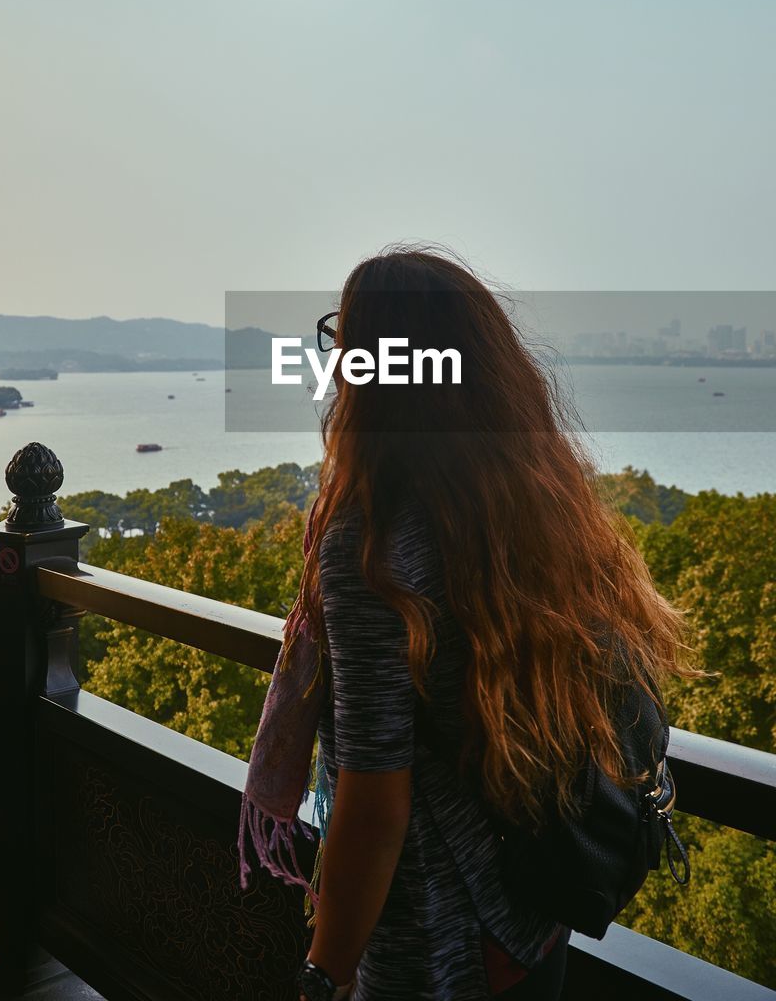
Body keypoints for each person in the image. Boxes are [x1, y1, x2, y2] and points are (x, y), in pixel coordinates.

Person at [239, 247, 697, 1001]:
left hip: (442, 930)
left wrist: (324, 972)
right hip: (533, 909)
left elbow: (375, 796)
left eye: (343, 341)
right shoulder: (531, 498)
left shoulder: (374, 544)